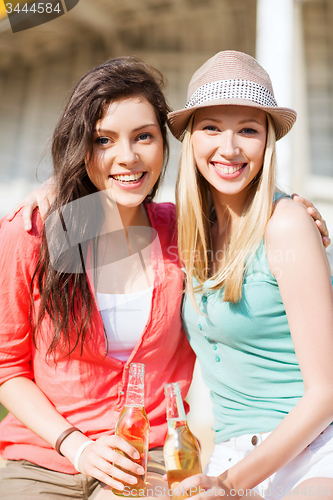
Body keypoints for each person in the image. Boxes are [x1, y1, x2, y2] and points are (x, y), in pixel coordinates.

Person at [0, 56, 196, 500]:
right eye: (103, 140)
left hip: (148, 458)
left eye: (143, 136)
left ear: (163, 144)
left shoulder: (184, 232)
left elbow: (249, 222)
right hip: (43, 459)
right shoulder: (33, 232)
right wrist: (77, 446)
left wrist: (295, 209)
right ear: (80, 148)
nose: (127, 157)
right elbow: (6, 365)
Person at [168, 50, 333, 500]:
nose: (230, 148)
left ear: (267, 141)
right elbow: (112, 201)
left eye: (248, 130)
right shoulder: (186, 229)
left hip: (312, 451)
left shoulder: (286, 225)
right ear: (191, 139)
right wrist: (52, 191)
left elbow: (326, 394)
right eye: (211, 128)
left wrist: (229, 483)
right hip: (230, 456)